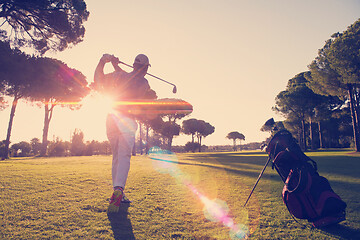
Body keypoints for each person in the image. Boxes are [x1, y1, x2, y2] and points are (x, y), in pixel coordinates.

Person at [94, 53, 157, 213]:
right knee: (123, 156)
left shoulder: (119, 75)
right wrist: (115, 65)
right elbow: (131, 79)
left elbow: (98, 79)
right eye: (145, 68)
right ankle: (119, 190)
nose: (146, 72)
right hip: (127, 120)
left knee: (116, 158)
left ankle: (118, 193)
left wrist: (103, 62)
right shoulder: (144, 82)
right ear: (144, 68)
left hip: (111, 118)